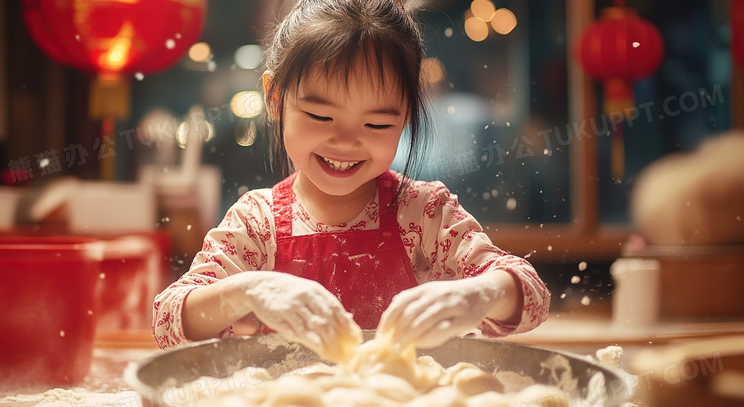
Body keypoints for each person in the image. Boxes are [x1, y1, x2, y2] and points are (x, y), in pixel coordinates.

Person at [152, 0, 550, 360]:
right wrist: (248, 291)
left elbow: (532, 298)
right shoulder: (257, 224)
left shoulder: (424, 213)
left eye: (376, 123)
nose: (345, 142)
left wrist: (481, 294)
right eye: (320, 116)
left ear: (408, 114)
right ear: (275, 98)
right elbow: (170, 322)